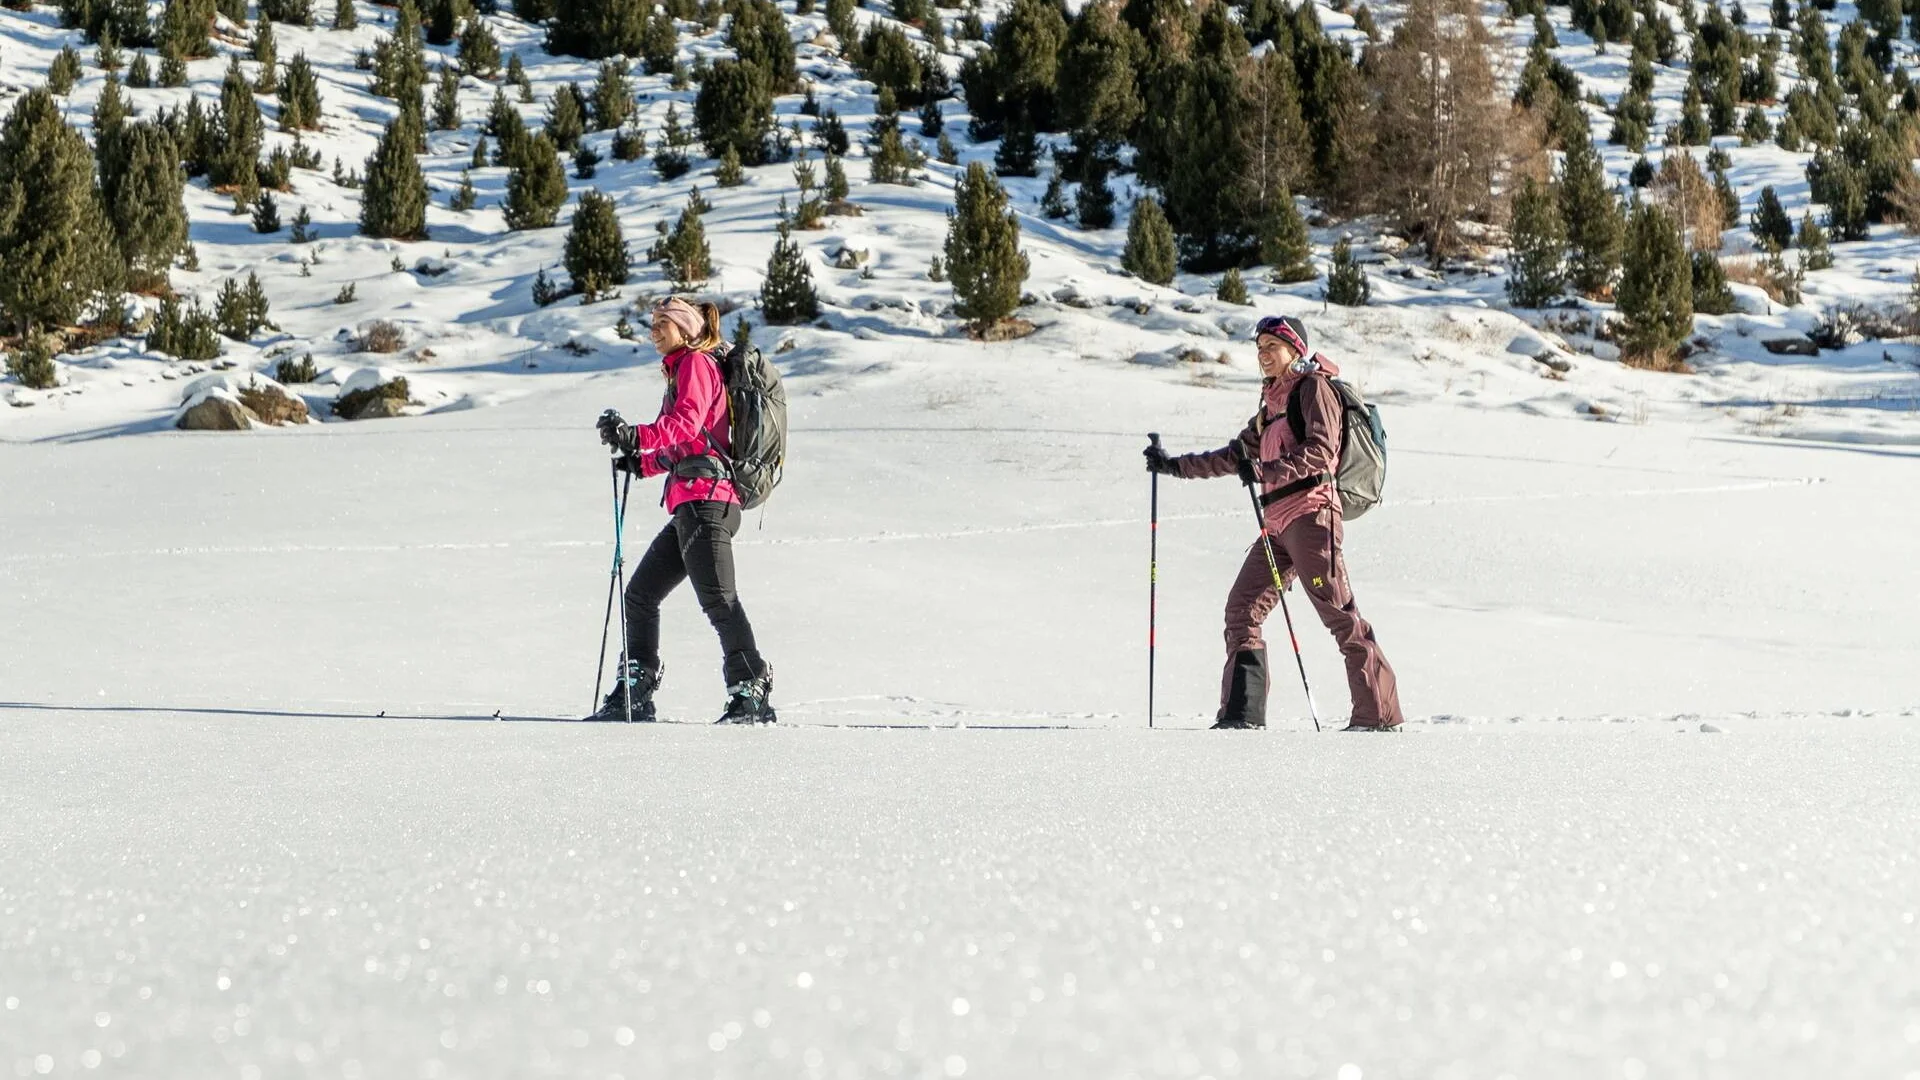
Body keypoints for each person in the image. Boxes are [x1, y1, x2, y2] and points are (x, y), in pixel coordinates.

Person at [1144, 315, 1402, 732]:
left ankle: (1378, 717)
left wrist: (1267, 470)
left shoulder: (1314, 389)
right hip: (1277, 526)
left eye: (1272, 347)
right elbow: (1234, 456)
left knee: (1339, 614)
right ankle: (1241, 716)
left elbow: (1322, 450)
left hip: (1313, 516)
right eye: (1259, 348)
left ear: (1295, 349)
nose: (1263, 354)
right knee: (1242, 609)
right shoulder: (1270, 407)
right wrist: (1173, 466)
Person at [588, 297, 776, 724]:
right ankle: (635, 692)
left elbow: (686, 424)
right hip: (693, 503)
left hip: (707, 502)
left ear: (686, 329)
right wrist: (641, 462)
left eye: (663, 323)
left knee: (718, 600)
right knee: (640, 595)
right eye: (652, 322)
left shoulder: (695, 363)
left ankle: (751, 689)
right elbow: (685, 444)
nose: (653, 329)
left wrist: (635, 436)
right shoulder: (681, 369)